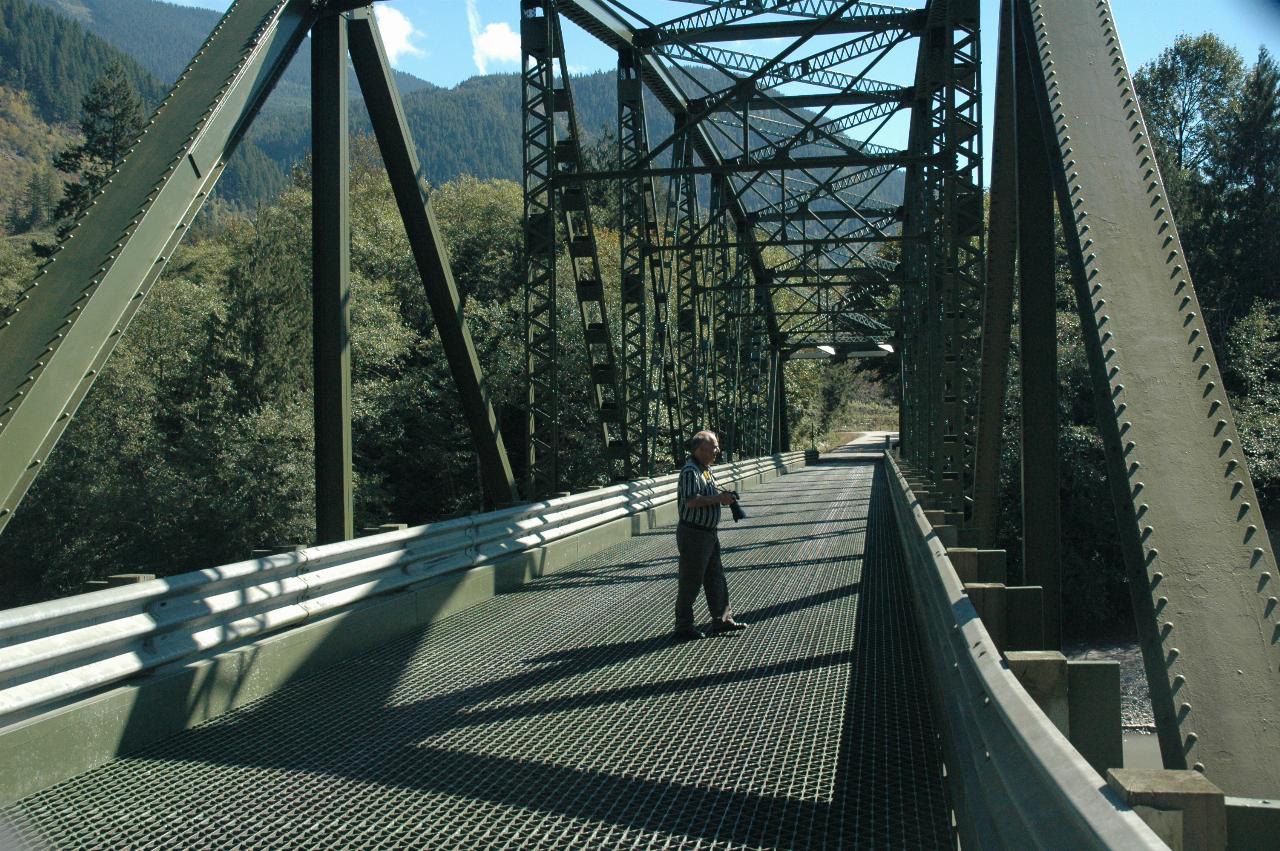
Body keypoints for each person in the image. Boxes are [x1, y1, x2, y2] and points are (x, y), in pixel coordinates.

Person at [673, 430, 748, 641]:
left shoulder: (704, 469)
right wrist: (718, 499)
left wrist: (722, 497)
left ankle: (722, 621)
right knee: (691, 581)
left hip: (707, 533)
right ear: (700, 449)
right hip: (694, 534)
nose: (718, 450)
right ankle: (683, 627)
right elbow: (690, 500)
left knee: (716, 579)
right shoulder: (690, 471)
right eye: (714, 446)